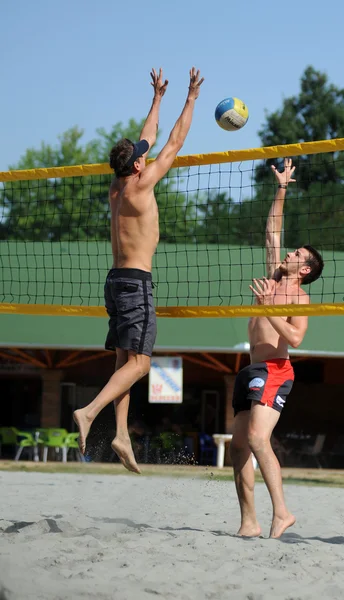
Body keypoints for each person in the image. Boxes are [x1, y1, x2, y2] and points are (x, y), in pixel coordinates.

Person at [74, 67, 204, 473]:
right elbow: (174, 141)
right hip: (135, 283)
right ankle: (89, 412)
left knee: (123, 364)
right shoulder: (143, 183)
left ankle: (121, 434)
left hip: (114, 282)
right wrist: (191, 99)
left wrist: (158, 98)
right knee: (142, 364)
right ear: (135, 166)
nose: (145, 155)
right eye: (140, 156)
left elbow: (148, 136)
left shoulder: (117, 185)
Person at [229, 158, 324, 538]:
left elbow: (297, 340)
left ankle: (281, 512)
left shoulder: (298, 298)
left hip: (275, 371)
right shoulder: (274, 275)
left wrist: (269, 309)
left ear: (305, 270)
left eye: (296, 256)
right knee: (238, 448)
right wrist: (282, 188)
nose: (288, 254)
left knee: (255, 439)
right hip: (251, 369)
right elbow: (272, 232)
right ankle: (249, 522)